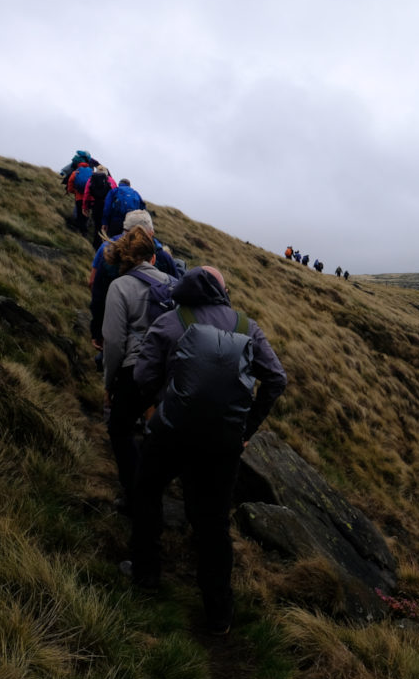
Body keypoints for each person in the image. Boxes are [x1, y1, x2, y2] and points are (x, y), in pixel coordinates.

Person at [125, 266, 287, 635]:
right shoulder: (247, 326)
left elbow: (142, 377)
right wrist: (246, 429)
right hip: (223, 443)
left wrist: (156, 406)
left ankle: (147, 572)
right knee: (212, 521)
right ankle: (218, 613)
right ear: (221, 291)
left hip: (171, 433)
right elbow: (277, 378)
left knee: (147, 491)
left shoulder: (169, 322)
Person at [101, 228, 174, 512]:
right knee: (157, 432)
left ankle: (136, 495)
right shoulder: (172, 283)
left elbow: (114, 343)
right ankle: (154, 487)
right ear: (153, 258)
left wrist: (109, 383)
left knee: (119, 428)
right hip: (169, 371)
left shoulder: (119, 287)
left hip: (135, 369)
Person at [88, 210, 180, 350]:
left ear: (125, 231)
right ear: (152, 233)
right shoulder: (163, 258)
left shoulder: (108, 252)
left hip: (116, 325)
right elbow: (178, 296)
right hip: (157, 337)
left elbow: (96, 290)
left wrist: (97, 331)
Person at [84, 165, 117, 238]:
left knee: (97, 226)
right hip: (107, 206)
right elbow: (115, 194)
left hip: (95, 205)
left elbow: (86, 193)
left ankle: (96, 245)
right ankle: (105, 243)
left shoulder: (91, 179)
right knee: (106, 226)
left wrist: (85, 207)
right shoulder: (111, 180)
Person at [66, 162, 94, 232]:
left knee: (79, 212)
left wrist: (73, 191)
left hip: (79, 197)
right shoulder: (92, 173)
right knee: (86, 212)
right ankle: (84, 230)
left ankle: (79, 229)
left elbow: (70, 182)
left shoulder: (76, 172)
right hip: (88, 197)